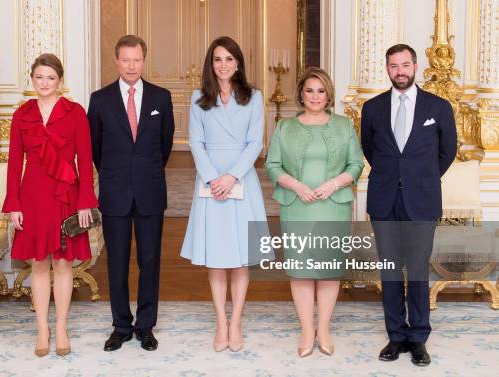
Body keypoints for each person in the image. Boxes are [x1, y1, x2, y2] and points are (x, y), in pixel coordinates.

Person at [361, 44, 457, 366]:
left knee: (416, 270)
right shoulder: (371, 108)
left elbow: (447, 153)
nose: (399, 71)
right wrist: (394, 177)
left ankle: (418, 338)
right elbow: (370, 150)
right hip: (384, 200)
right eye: (393, 66)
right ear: (386, 69)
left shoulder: (439, 107)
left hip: (422, 201)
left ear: (415, 66)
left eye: (405, 65)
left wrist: (420, 179)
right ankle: (395, 335)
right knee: (389, 270)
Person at [2, 53, 98, 357]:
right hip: (31, 197)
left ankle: (62, 328)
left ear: (61, 81)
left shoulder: (75, 112)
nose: (44, 83)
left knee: (63, 263)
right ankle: (42, 328)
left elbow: (85, 159)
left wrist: (85, 202)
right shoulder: (21, 114)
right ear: (32, 79)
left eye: (51, 78)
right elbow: (15, 162)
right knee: (39, 263)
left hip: (66, 196)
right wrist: (13, 204)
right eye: (39, 77)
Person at [180, 36, 271, 352]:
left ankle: (236, 322)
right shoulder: (198, 98)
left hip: (241, 179)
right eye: (218, 59)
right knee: (217, 258)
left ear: (238, 63)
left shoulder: (254, 97)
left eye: (229, 59)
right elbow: (196, 142)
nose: (223, 65)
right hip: (210, 183)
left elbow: (255, 143)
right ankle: (221, 322)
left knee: (241, 258)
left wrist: (231, 176)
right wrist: (212, 179)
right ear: (211, 63)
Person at [265, 67, 364, 357]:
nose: (315, 96)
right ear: (301, 94)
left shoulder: (344, 126)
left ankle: (324, 328)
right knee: (301, 271)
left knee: (329, 271)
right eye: (309, 90)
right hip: (297, 207)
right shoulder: (285, 127)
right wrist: (296, 185)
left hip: (333, 207)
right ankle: (307, 329)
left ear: (328, 94)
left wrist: (334, 184)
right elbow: (272, 166)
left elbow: (356, 165)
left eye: (321, 91)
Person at [87, 35, 175, 352]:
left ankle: (145, 326)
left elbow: (164, 146)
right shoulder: (99, 100)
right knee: (118, 263)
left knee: (150, 260)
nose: (131, 66)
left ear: (144, 60)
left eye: (136, 60)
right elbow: (94, 149)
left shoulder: (161, 98)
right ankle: (121, 326)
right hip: (115, 192)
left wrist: (144, 171)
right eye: (125, 60)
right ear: (116, 61)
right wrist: (117, 174)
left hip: (150, 191)